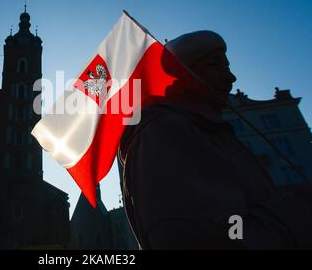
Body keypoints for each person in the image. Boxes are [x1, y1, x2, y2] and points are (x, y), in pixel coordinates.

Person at [118, 31, 312, 249]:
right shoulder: (165, 129)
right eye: (215, 65)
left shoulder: (208, 127)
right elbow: (218, 235)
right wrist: (302, 210)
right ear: (186, 73)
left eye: (227, 66)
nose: (231, 77)